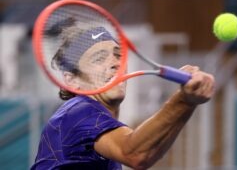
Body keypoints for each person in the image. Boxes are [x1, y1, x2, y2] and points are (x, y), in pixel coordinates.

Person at [30, 17, 215, 170]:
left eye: (118, 55)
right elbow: (136, 154)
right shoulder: (77, 112)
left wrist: (188, 101)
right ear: (72, 81)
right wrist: (184, 100)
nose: (115, 63)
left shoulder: (103, 130)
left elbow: (149, 152)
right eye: (99, 58)